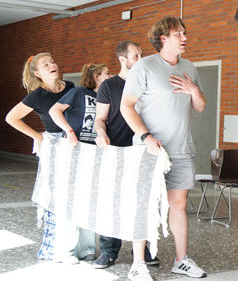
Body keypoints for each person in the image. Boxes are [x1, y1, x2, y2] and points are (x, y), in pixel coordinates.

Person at [121, 16, 207, 280]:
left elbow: (201, 106)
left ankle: (181, 260)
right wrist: (145, 136)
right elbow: (126, 106)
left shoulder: (190, 67)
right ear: (163, 38)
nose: (184, 37)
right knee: (144, 205)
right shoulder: (144, 66)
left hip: (181, 149)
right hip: (150, 150)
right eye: (178, 33)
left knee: (178, 204)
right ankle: (138, 264)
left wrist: (193, 90)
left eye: (184, 32)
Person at [93, 40, 159, 270]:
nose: (141, 59)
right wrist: (100, 133)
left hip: (143, 151)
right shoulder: (108, 86)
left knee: (143, 202)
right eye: (136, 56)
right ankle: (109, 251)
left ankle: (141, 250)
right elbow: (99, 120)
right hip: (116, 151)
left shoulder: (148, 83)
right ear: (123, 59)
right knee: (111, 202)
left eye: (142, 55)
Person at [5, 53, 75, 260]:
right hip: (54, 146)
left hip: (74, 144)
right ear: (37, 73)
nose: (52, 64)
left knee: (72, 195)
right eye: (46, 64)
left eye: (53, 61)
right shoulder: (37, 95)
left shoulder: (70, 86)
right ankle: (54, 247)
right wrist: (38, 136)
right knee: (55, 197)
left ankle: (72, 246)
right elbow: (11, 118)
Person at [48, 63, 112, 263]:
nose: (112, 76)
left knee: (89, 202)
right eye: (107, 73)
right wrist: (68, 131)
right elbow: (54, 111)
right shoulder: (78, 92)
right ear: (97, 77)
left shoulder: (105, 98)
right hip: (74, 151)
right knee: (69, 201)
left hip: (94, 154)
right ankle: (64, 250)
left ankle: (85, 249)